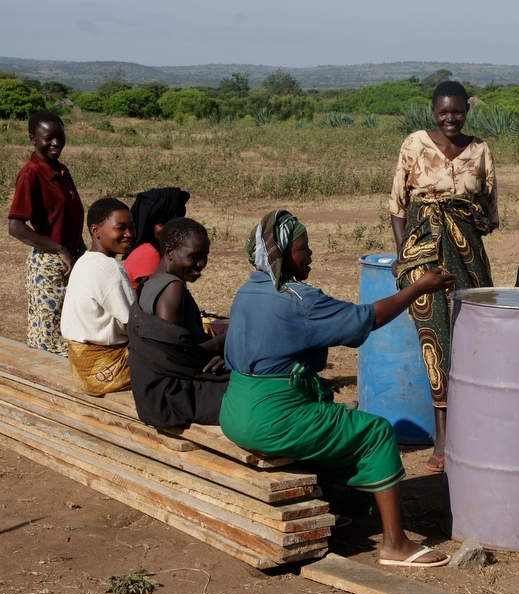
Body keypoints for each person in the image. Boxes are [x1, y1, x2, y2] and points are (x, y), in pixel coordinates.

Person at [220, 210, 454, 568]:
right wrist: (419, 287)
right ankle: (395, 544)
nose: (310, 254)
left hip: (235, 410)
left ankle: (337, 502)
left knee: (327, 411)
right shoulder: (298, 300)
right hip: (271, 419)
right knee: (374, 432)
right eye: (303, 249)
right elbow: (366, 319)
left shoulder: (248, 290)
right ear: (283, 255)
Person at [389, 81, 499, 473]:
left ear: (466, 110)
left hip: (467, 257)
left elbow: (488, 209)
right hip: (424, 256)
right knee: (435, 341)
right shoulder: (415, 144)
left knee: (473, 337)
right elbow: (398, 205)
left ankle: (474, 429)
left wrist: (460, 218)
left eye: (457, 111)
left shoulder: (480, 150)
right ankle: (442, 437)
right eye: (442, 112)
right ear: (432, 111)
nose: (450, 118)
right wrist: (405, 255)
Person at [127, 218, 228, 428]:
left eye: (205, 257)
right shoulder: (172, 288)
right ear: (169, 251)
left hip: (151, 388)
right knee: (256, 393)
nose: (201, 264)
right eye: (194, 257)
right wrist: (223, 342)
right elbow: (173, 356)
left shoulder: (151, 280)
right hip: (170, 394)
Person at [7, 110, 86, 356]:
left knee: (72, 330)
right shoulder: (31, 173)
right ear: (33, 138)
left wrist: (84, 255)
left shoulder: (60, 170)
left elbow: (68, 219)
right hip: (49, 264)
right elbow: (15, 225)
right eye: (48, 137)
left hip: (70, 261)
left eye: (60, 137)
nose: (56, 143)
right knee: (49, 338)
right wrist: (59, 248)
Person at [61, 198, 136, 395]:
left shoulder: (84, 261)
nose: (129, 234)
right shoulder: (108, 267)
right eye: (121, 228)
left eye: (131, 227)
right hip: (107, 369)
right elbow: (134, 324)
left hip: (82, 369)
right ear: (96, 231)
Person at [124, 187, 190, 291]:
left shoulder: (157, 250)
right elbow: (159, 298)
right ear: (148, 226)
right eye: (162, 223)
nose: (170, 228)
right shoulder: (147, 255)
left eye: (173, 221)